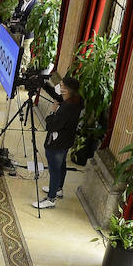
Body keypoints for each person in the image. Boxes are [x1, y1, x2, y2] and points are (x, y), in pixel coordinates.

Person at [34, 76, 84, 209]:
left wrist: (52, 111)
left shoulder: (65, 109)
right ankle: (58, 189)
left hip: (57, 143)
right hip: (67, 141)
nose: (59, 87)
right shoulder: (76, 100)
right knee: (61, 166)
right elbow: (58, 96)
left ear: (66, 90)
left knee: (54, 170)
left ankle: (51, 199)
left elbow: (51, 127)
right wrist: (44, 85)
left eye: (61, 85)